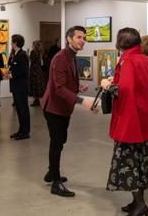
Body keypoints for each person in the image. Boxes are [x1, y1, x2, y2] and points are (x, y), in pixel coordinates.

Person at [101, 28, 148, 216]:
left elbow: (124, 91)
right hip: (144, 119)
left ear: (122, 41)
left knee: (129, 163)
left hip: (130, 121)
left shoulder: (127, 60)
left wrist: (108, 85)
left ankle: (140, 205)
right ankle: (136, 202)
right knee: (140, 161)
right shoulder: (144, 60)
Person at [40, 26, 95, 197]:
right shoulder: (60, 58)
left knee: (60, 140)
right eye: (79, 37)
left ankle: (51, 172)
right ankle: (55, 183)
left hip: (63, 108)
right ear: (68, 38)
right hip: (54, 108)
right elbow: (59, 88)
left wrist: (77, 87)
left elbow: (65, 83)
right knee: (57, 143)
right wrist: (81, 100)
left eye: (84, 38)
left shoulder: (70, 56)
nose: (82, 40)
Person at [9, 34, 30, 140]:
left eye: (12, 41)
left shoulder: (22, 55)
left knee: (23, 110)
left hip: (21, 87)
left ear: (15, 43)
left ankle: (25, 132)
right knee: (19, 110)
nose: (11, 43)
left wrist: (12, 75)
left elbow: (24, 72)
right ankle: (21, 130)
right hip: (16, 87)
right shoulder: (15, 54)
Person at [29, 40, 46, 107]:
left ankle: (36, 100)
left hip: (34, 70)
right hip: (39, 70)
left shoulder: (33, 52)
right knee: (38, 85)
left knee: (35, 85)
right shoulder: (40, 52)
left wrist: (28, 56)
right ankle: (37, 100)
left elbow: (32, 60)